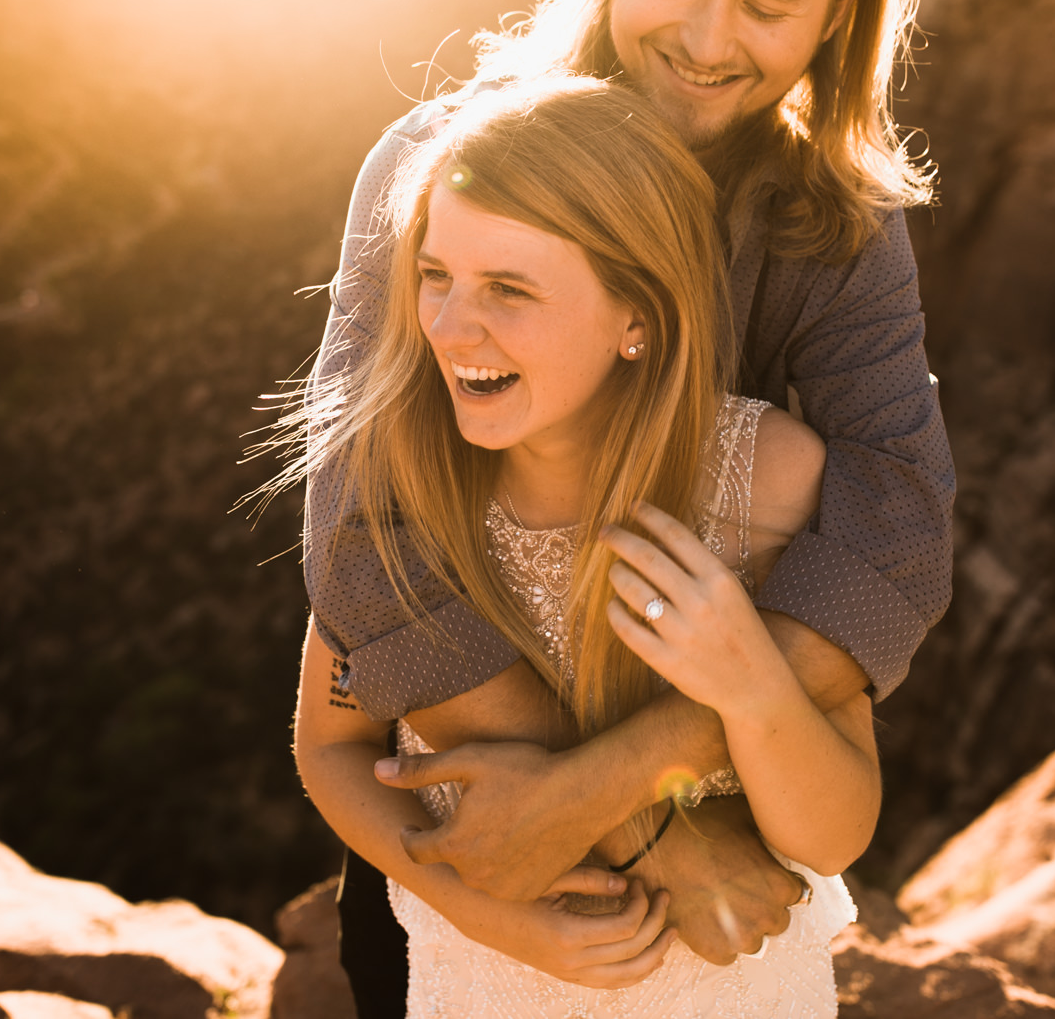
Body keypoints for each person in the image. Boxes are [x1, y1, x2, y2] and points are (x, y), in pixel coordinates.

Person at [305, 0, 955, 1013]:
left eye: (765, 2)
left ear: (836, 13)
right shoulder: (443, 166)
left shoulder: (838, 229)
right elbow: (365, 526)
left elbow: (892, 526)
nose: (708, 43)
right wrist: (619, 829)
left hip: (727, 846)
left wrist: (626, 782)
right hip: (475, 822)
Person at [291, 75, 878, 1014]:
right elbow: (333, 744)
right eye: (434, 275)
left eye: (509, 289)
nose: (446, 326)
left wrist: (750, 684)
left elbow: (836, 831)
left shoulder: (763, 481)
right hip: (487, 982)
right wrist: (481, 908)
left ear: (636, 317)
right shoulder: (405, 490)